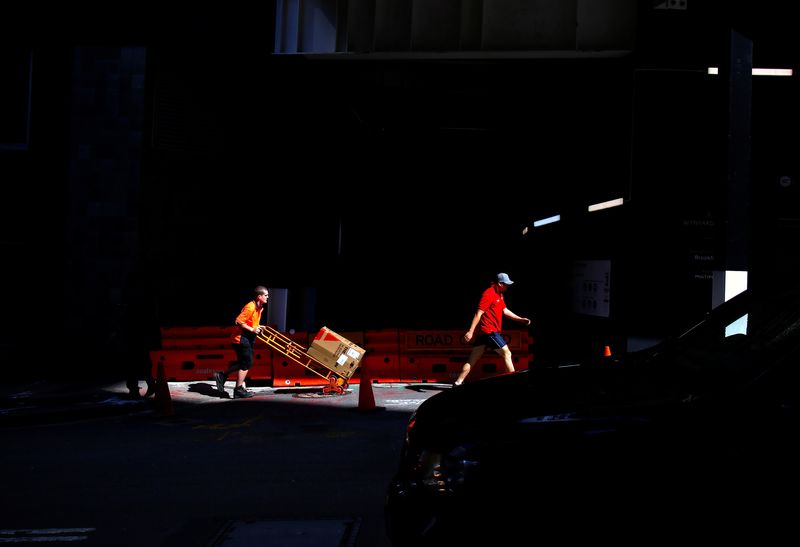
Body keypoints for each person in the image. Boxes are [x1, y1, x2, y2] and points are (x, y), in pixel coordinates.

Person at [454, 273, 531, 386]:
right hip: (489, 331)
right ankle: (515, 383)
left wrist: (520, 319)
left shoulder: (499, 294)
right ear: (500, 284)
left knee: (472, 360)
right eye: (506, 284)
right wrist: (471, 331)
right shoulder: (488, 294)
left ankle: (458, 382)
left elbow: (504, 311)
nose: (508, 287)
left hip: (484, 333)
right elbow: (478, 313)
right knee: (507, 353)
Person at [214, 286, 269, 399]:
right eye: (266, 295)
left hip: (247, 338)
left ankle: (222, 375)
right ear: (259, 296)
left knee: (244, 362)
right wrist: (252, 329)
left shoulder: (259, 308)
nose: (268, 297)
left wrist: (257, 327)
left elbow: (250, 322)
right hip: (241, 338)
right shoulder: (250, 307)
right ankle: (238, 389)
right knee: (246, 363)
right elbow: (238, 321)